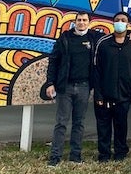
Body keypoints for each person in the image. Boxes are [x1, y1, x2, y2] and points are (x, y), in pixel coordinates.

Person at [44, 11, 104, 166]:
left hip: (84, 87)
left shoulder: (94, 38)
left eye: (84, 20)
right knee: (61, 122)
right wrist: (50, 82)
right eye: (79, 20)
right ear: (74, 22)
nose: (82, 23)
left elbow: (114, 38)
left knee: (79, 122)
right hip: (65, 87)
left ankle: (75, 156)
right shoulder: (65, 38)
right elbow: (53, 61)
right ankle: (55, 157)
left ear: (89, 22)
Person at [92, 11, 131, 162]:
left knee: (121, 126)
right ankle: (104, 154)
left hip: (124, 94)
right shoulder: (103, 43)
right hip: (104, 94)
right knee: (104, 127)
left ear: (128, 24)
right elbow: (96, 69)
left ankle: (120, 153)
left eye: (123, 20)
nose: (120, 22)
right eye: (117, 20)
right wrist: (98, 94)